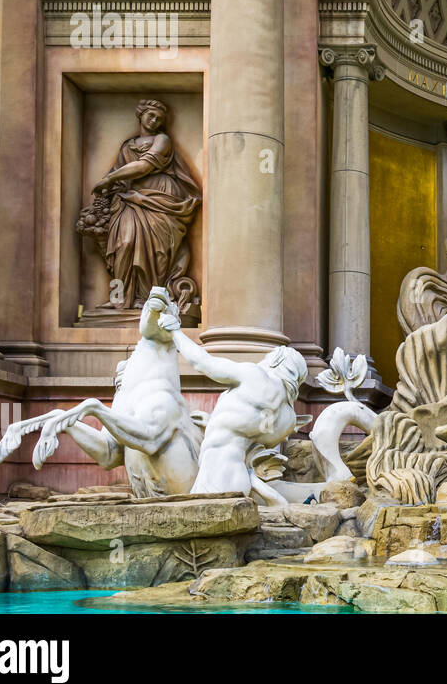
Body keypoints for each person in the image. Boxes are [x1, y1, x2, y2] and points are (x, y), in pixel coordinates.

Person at [159, 304, 306, 504]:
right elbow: (247, 431)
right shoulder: (287, 418)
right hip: (238, 475)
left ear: (276, 360)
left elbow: (203, 363)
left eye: (268, 357)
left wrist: (175, 331)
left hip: (217, 471)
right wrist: (213, 421)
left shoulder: (255, 376)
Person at [90, 99, 201, 310]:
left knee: (157, 250)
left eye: (159, 118)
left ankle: (151, 298)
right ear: (140, 115)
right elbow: (120, 175)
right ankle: (119, 298)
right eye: (151, 115)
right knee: (125, 243)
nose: (154, 120)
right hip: (129, 199)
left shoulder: (162, 140)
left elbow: (144, 166)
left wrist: (109, 179)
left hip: (161, 197)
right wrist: (109, 188)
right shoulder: (127, 146)